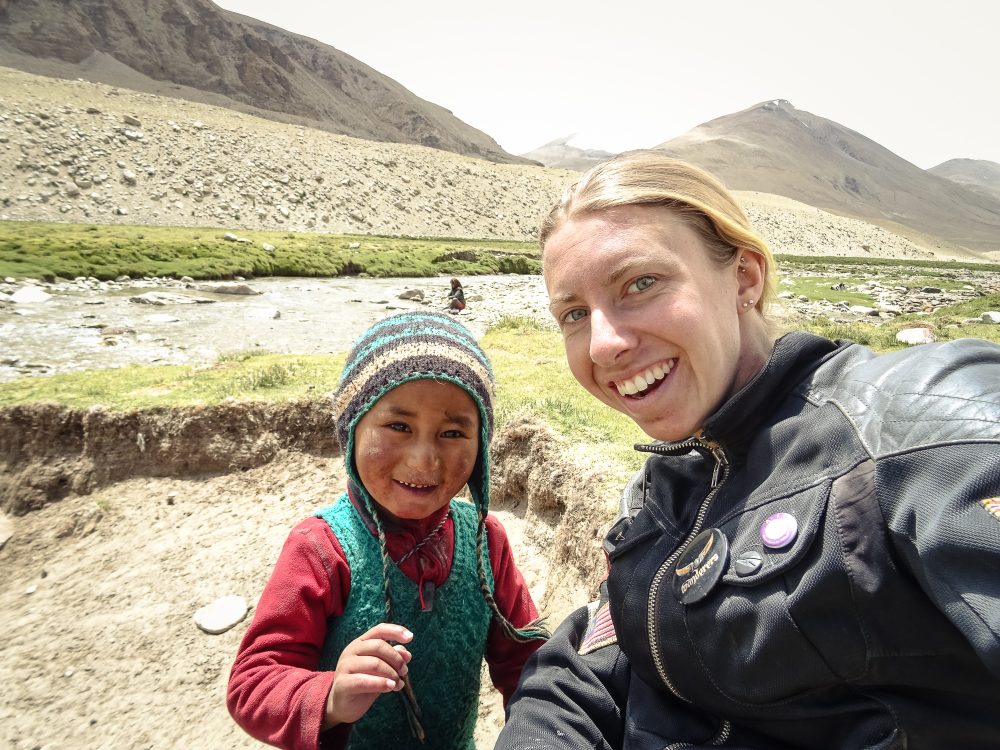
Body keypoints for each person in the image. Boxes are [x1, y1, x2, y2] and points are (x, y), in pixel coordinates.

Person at [495, 151, 1000, 749]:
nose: (604, 344)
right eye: (574, 313)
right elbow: (593, 667)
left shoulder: (921, 423)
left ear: (745, 277)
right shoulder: (664, 488)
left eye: (640, 283)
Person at [227, 311, 548, 750]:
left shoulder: (484, 541)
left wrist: (540, 732)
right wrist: (332, 696)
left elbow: (525, 662)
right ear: (353, 429)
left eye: (453, 432)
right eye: (399, 426)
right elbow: (253, 684)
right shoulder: (321, 549)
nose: (423, 460)